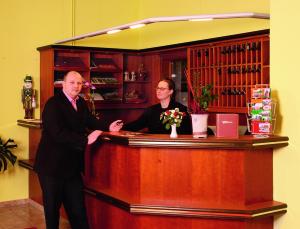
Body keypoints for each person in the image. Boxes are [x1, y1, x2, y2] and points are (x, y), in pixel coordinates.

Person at [34, 71, 121, 229]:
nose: (76, 86)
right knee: (52, 211)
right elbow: (57, 133)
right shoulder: (53, 104)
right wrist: (85, 140)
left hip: (72, 168)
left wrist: (108, 127)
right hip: (51, 167)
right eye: (72, 82)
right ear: (63, 84)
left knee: (78, 210)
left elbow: (90, 120)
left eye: (79, 83)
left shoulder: (80, 102)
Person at [121, 78, 192, 134]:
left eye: (162, 89)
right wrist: (120, 127)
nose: (158, 91)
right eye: (157, 88)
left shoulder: (180, 109)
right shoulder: (151, 110)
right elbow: (137, 124)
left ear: (171, 91)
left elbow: (186, 132)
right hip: (153, 148)